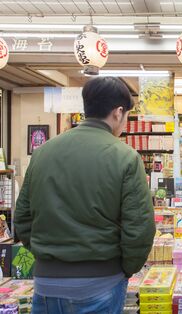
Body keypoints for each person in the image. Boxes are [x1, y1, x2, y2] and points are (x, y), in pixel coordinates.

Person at [14, 77, 156, 314]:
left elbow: (22, 218)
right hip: (101, 281)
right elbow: (140, 229)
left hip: (46, 283)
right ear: (118, 112)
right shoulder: (125, 157)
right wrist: (124, 268)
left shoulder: (43, 153)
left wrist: (49, 257)